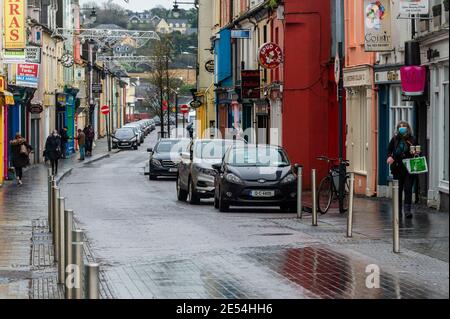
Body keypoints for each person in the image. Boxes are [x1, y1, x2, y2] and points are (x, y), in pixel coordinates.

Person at [387, 121, 420, 219]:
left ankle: (407, 211)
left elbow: (418, 151)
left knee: (408, 188)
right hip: (397, 168)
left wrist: (416, 153)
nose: (402, 128)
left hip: (409, 168)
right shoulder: (395, 139)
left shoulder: (412, 139)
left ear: (407, 128)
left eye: (404, 126)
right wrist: (390, 157)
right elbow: (389, 150)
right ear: (397, 128)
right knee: (398, 189)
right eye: (400, 127)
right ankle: (398, 210)